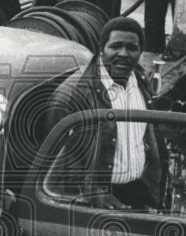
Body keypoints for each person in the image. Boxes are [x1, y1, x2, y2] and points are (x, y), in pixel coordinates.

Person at [44, 16, 161, 208]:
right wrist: (92, 194)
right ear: (101, 49)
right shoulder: (73, 94)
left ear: (141, 52)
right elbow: (60, 159)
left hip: (138, 192)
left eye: (132, 48)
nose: (123, 54)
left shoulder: (140, 80)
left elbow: (148, 136)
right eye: (115, 46)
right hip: (97, 201)